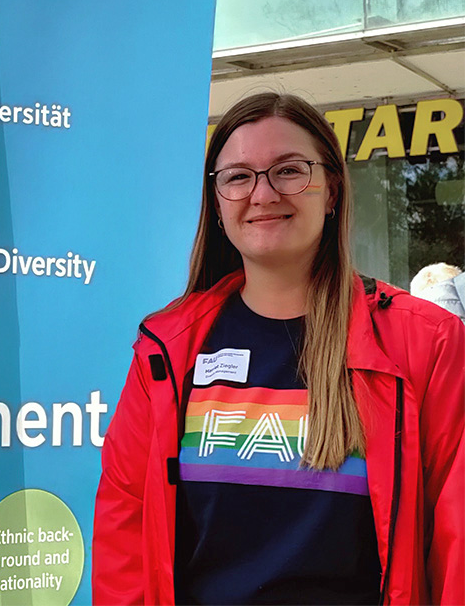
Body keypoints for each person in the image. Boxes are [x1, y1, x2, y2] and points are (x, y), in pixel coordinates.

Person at [93, 93, 463, 605]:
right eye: (239, 176)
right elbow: (124, 538)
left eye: (289, 170)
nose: (263, 193)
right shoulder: (168, 351)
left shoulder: (426, 342)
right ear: (218, 203)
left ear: (331, 191)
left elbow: (456, 545)